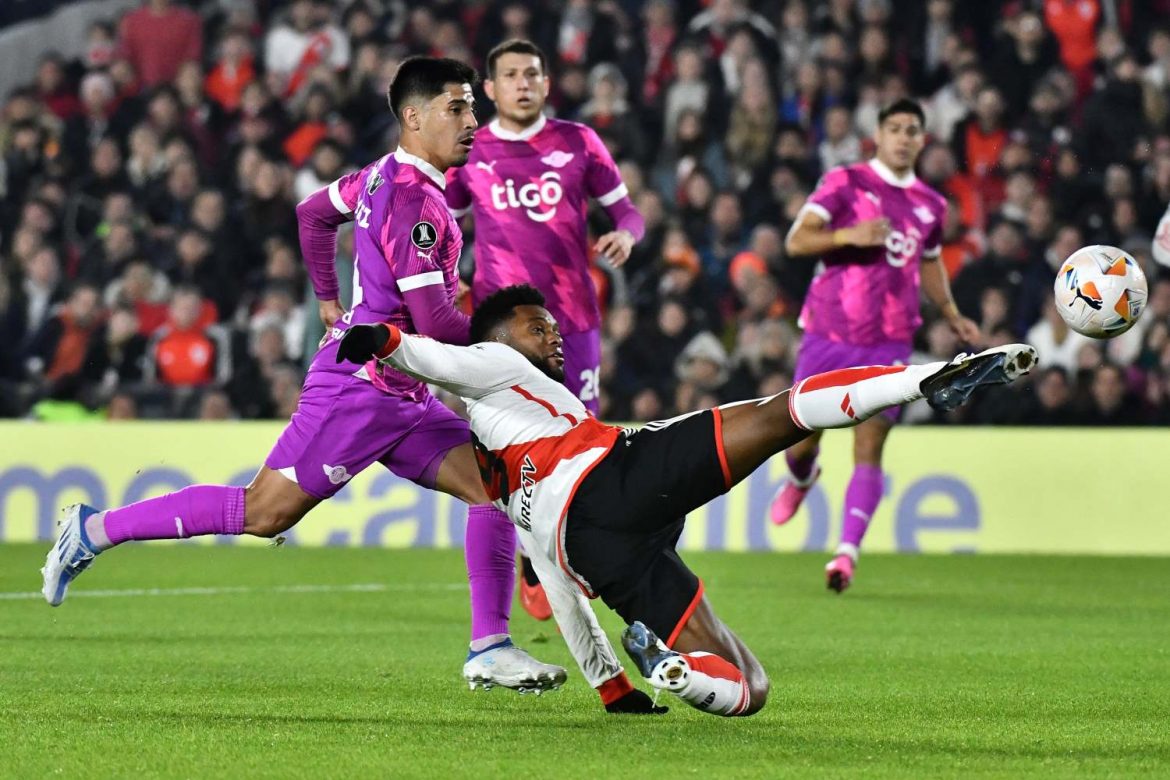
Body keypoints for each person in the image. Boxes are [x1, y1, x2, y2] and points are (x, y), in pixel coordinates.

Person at [40, 57, 564, 694]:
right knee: (264, 514)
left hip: (401, 386)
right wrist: (510, 345)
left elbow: (314, 214)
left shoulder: (377, 178)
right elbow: (436, 321)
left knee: (493, 486)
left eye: (472, 108)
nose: (471, 121)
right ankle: (93, 529)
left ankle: (490, 647)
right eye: (456, 108)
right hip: (360, 389)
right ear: (414, 116)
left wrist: (326, 297)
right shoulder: (412, 202)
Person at [334, 284, 1036, 716]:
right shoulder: (494, 363)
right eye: (534, 323)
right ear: (501, 339)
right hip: (611, 478)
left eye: (549, 324)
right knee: (779, 414)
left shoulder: (506, 474)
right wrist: (386, 341)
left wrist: (611, 687)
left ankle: (674, 672)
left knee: (749, 686)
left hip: (593, 551)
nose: (550, 333)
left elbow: (562, 591)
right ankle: (927, 381)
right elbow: (442, 359)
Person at [445, 39, 645, 621]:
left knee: (578, 440)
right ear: (490, 89)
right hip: (499, 329)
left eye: (532, 73)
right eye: (510, 75)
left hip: (570, 322)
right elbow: (444, 220)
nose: (523, 83)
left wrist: (626, 235)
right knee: (497, 447)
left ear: (546, 82)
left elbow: (626, 211)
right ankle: (529, 564)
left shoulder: (579, 142)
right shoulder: (473, 148)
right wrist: (447, 277)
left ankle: (555, 554)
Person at [768, 98, 982, 593]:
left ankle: (846, 554)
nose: (904, 137)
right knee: (802, 436)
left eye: (913, 130)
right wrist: (850, 234)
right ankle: (802, 478)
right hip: (829, 331)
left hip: (890, 339)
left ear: (923, 140)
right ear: (879, 136)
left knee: (871, 442)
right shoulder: (845, 181)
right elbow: (797, 242)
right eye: (895, 128)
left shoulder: (931, 203)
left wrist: (951, 315)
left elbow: (929, 262)